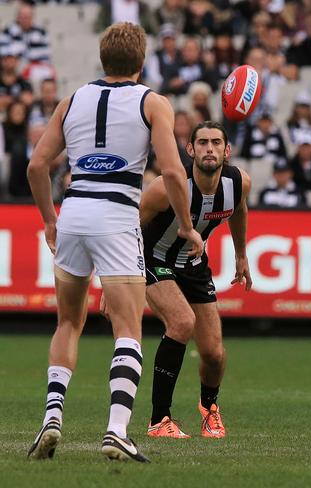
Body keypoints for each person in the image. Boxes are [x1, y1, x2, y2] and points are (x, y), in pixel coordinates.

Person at [25, 22, 203, 463]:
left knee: (68, 322)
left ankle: (52, 418)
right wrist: (185, 225)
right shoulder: (153, 102)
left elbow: (36, 166)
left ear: (102, 60)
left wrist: (50, 220)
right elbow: (174, 173)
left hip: (75, 212)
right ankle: (117, 430)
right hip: (117, 214)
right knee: (128, 327)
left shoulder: (72, 100)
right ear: (142, 64)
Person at [104, 121, 252, 439]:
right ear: (190, 150)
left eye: (215, 143)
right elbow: (130, 224)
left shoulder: (239, 182)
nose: (209, 148)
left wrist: (241, 254)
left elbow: (239, 210)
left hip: (194, 264)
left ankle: (209, 409)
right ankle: (160, 420)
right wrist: (113, 275)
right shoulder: (167, 186)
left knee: (214, 354)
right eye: (202, 143)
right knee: (182, 323)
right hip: (154, 258)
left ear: (227, 151)